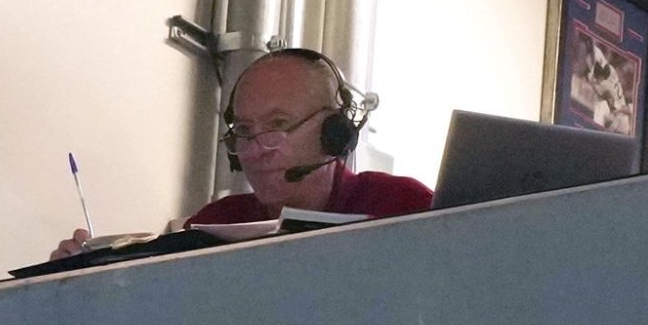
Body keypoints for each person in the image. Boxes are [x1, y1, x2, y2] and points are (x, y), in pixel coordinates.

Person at [50, 48, 432, 260]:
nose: (254, 150)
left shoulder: (402, 208)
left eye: (278, 124)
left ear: (334, 134)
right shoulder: (215, 225)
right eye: (244, 131)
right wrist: (76, 279)